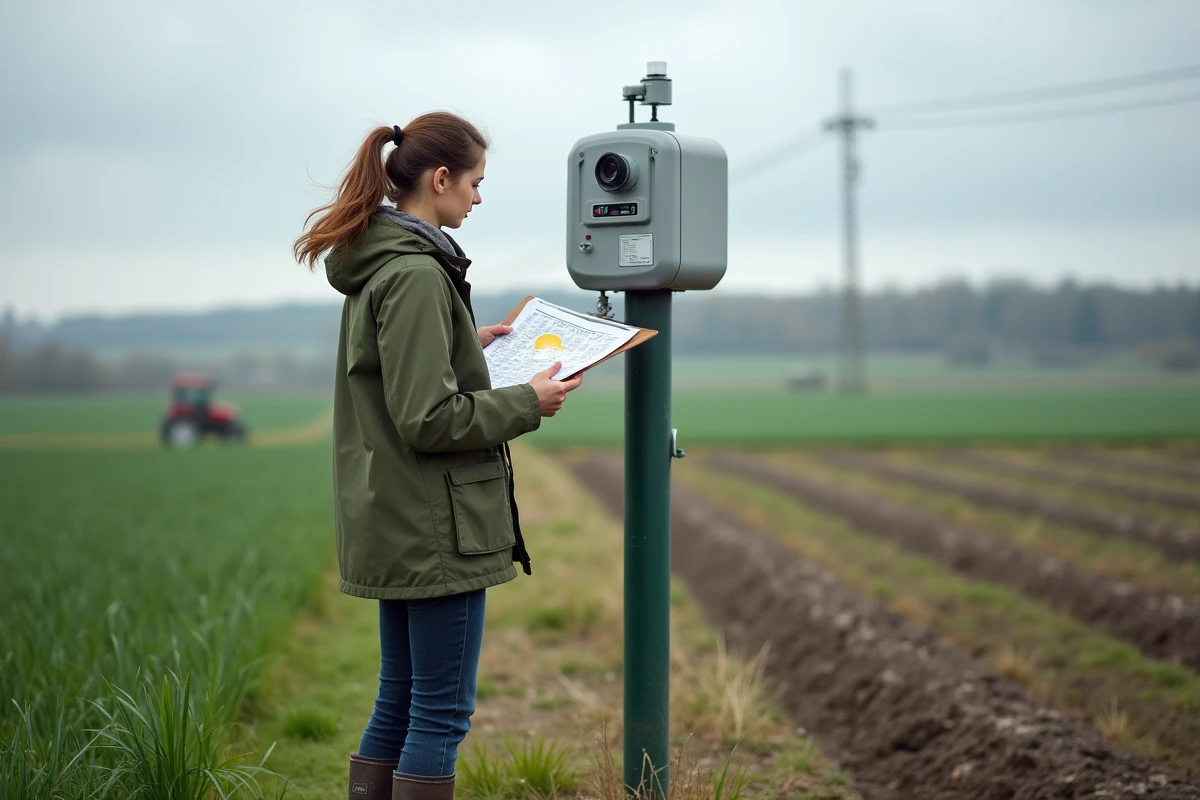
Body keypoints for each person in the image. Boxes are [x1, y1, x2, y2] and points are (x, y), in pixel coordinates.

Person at [293, 112, 583, 800]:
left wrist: (462, 346)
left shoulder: (381, 262)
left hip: (397, 514)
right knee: (440, 711)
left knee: (400, 699)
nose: (479, 198)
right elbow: (428, 419)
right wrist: (528, 401)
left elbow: (394, 376)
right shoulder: (417, 274)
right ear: (441, 178)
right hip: (434, 525)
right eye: (476, 182)